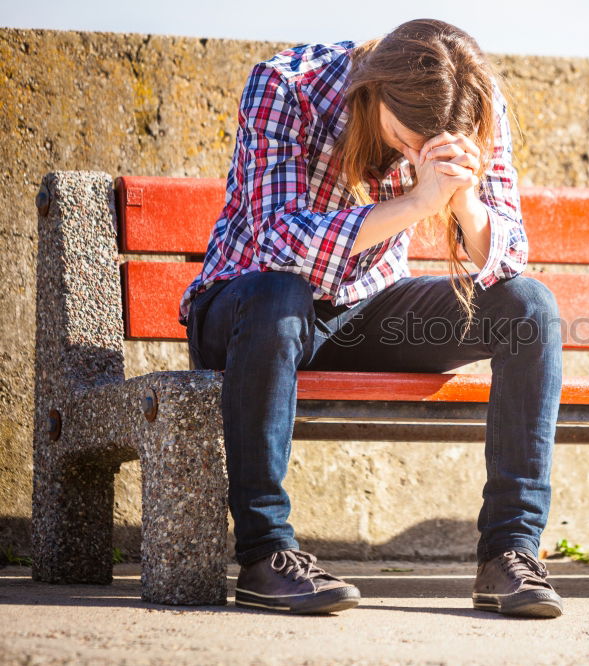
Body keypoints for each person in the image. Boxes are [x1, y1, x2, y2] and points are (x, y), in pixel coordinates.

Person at [178, 18, 565, 618]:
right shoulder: (286, 84)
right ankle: (264, 554)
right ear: (375, 90)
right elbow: (278, 240)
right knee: (280, 296)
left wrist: (462, 200)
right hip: (245, 310)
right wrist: (416, 203)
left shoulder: (478, 101)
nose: (417, 156)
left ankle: (509, 554)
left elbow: (508, 255)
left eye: (431, 149)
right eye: (407, 140)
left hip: (363, 309)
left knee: (528, 307)